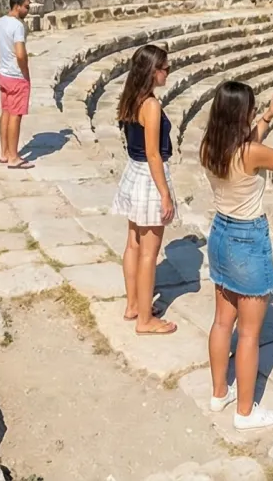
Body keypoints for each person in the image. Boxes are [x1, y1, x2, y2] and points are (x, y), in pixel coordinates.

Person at [201, 83, 273, 431]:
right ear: (239, 114)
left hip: (220, 234)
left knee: (221, 321)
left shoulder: (209, 147)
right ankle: (245, 412)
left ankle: (219, 394)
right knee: (248, 334)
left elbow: (245, 145)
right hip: (247, 239)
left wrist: (267, 116)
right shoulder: (250, 153)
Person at [109, 45, 178, 335]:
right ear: (153, 71)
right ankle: (145, 321)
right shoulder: (151, 105)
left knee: (133, 243)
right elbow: (153, 154)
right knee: (150, 251)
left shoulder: (130, 98)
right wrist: (165, 193)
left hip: (132, 174)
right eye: (165, 68)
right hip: (149, 177)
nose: (168, 73)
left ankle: (133, 305)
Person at [0, 0, 32, 168]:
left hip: (3, 75)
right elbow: (21, 53)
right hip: (16, 77)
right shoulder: (18, 26)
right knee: (15, 115)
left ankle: (4, 154)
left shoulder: (0, 22)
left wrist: (3, 60)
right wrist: (25, 72)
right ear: (17, 6)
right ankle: (14, 158)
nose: (28, 10)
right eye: (26, 7)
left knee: (6, 112)